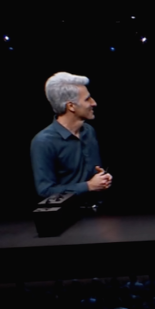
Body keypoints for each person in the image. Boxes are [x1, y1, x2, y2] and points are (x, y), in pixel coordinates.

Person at [31, 72, 112, 211]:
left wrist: (102, 179)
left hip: (100, 212)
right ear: (71, 106)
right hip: (68, 217)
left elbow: (91, 177)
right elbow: (45, 190)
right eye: (87, 99)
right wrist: (88, 186)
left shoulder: (89, 131)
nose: (94, 103)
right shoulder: (44, 142)